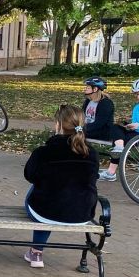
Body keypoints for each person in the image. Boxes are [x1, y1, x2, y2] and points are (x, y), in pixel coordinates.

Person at [23, 104, 98, 268]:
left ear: (58, 125)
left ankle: (36, 253)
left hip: (46, 211)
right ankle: (36, 251)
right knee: (53, 194)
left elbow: (29, 176)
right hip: (82, 213)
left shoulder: (44, 152)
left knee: (42, 194)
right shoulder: (91, 153)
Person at [81, 76, 120, 149]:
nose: (85, 89)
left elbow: (99, 124)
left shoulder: (106, 103)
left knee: (74, 133)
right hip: (88, 129)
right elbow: (82, 116)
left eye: (88, 88)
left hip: (102, 132)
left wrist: (81, 129)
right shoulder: (88, 101)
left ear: (95, 89)